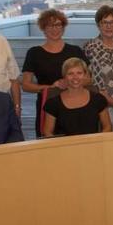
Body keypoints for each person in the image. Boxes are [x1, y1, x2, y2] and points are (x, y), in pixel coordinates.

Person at [21, 9, 85, 137]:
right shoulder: (34, 53)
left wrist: (71, 83)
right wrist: (50, 88)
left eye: (58, 25)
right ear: (43, 28)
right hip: (47, 106)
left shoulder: (75, 50)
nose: (54, 29)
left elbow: (89, 79)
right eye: (50, 25)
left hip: (75, 105)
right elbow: (26, 85)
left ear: (63, 27)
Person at [41, 57, 111, 136]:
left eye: (79, 73)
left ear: (85, 75)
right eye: (70, 73)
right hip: (64, 147)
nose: (75, 77)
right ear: (64, 77)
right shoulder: (53, 103)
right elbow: (47, 132)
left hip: (93, 145)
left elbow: (107, 127)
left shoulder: (98, 99)